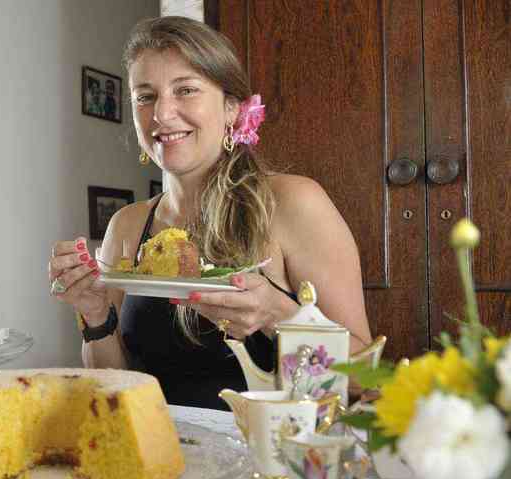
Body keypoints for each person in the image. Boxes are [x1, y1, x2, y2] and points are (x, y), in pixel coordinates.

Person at [48, 17, 371, 409]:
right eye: (145, 96)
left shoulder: (293, 202)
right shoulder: (128, 226)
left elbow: (363, 378)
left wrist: (277, 313)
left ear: (232, 108)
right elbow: (115, 386)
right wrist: (95, 315)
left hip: (264, 464)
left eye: (185, 90)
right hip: (160, 457)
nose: (162, 114)